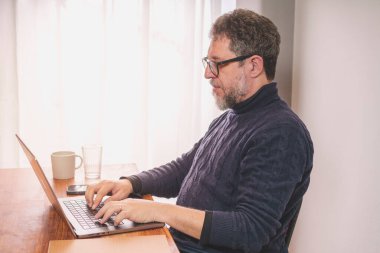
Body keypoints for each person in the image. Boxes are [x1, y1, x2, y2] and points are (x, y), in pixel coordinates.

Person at [85, 8, 313, 253]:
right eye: (208, 63)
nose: (207, 74)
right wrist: (132, 183)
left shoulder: (281, 133)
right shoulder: (230, 118)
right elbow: (186, 169)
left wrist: (158, 211)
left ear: (254, 66)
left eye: (217, 64)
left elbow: (250, 230)